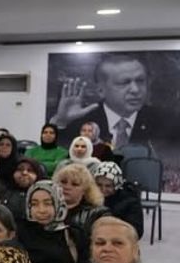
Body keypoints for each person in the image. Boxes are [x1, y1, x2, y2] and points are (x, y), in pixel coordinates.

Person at [50, 54, 180, 148]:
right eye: (124, 83)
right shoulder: (82, 121)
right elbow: (55, 156)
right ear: (101, 90)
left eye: (140, 81)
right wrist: (61, 122)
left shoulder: (168, 122)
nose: (135, 90)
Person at [16, 181, 82, 263]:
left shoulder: (73, 234)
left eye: (48, 203)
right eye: (34, 204)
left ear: (58, 203)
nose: (41, 210)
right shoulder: (20, 232)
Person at [53, 163, 109, 249]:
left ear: (85, 190)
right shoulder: (47, 210)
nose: (67, 187)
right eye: (63, 182)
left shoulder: (99, 214)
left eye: (75, 184)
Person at [93, 161, 144, 237]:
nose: (103, 189)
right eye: (99, 185)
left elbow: (136, 231)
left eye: (108, 186)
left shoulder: (130, 201)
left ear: (116, 185)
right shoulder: (90, 198)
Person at [3, 157, 44, 222]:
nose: (24, 173)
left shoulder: (43, 195)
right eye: (20, 169)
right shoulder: (3, 193)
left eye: (30, 170)